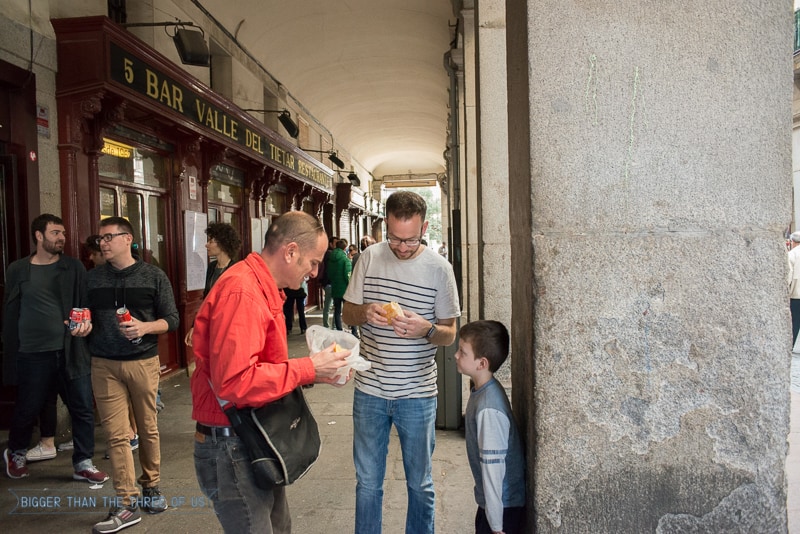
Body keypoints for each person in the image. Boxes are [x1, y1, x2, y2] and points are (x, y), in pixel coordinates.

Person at [191, 211, 353, 533]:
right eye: (312, 261)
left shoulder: (259, 287)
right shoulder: (243, 292)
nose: (315, 271)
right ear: (290, 252)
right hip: (232, 444)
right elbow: (235, 382)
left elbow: (261, 368)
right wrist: (307, 367)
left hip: (249, 437)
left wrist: (316, 373)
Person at [343, 191, 461, 533]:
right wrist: (365, 312)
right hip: (370, 391)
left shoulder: (440, 269)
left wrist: (426, 330)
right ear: (385, 226)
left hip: (418, 394)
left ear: (424, 227)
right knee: (367, 483)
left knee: (420, 484)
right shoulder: (368, 258)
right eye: (395, 238)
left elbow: (450, 333)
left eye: (411, 239)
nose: (402, 247)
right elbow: (348, 312)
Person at [87, 217, 179, 533]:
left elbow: (172, 319)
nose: (103, 243)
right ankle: (127, 501)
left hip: (143, 362)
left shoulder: (153, 276)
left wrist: (144, 327)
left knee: (147, 427)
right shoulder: (92, 279)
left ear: (128, 239)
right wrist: (82, 326)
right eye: (100, 238)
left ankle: (151, 486)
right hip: (103, 364)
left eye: (109, 237)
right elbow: (83, 315)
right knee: (116, 434)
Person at [2, 214, 108, 484]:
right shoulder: (18, 269)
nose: (61, 237)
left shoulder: (73, 268)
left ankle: (83, 462)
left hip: (71, 350)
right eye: (55, 233)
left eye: (63, 233)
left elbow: (86, 304)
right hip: (32, 353)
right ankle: (15, 453)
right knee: (27, 407)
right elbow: (11, 310)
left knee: (82, 408)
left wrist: (87, 324)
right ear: (39, 236)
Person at [455, 320, 526, 534]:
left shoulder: (489, 409)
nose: (456, 355)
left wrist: (495, 525)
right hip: (492, 504)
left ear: (482, 363)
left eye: (462, 352)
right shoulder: (484, 390)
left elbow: (493, 470)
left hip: (502, 509)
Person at [184, 222, 242, 347]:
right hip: (212, 326)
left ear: (222, 244)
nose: (206, 245)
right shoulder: (211, 267)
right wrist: (195, 326)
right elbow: (206, 300)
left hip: (229, 329)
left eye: (210, 241)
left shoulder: (236, 270)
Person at [327, 239, 352, 331]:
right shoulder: (345, 260)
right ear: (345, 248)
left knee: (337, 311)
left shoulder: (331, 259)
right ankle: (353, 330)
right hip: (345, 289)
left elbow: (329, 274)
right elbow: (348, 275)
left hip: (335, 288)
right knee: (349, 310)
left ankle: (339, 329)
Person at [319, 235, 338, 328]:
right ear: (330, 244)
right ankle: (330, 326)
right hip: (330, 284)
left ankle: (329, 326)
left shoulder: (329, 254)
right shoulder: (330, 255)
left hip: (330, 284)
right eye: (335, 243)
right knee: (331, 307)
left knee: (331, 306)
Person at [789, 231, 800, 349]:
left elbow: (789, 274)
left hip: (797, 294)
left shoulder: (792, 254)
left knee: (795, 322)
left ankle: (790, 345)